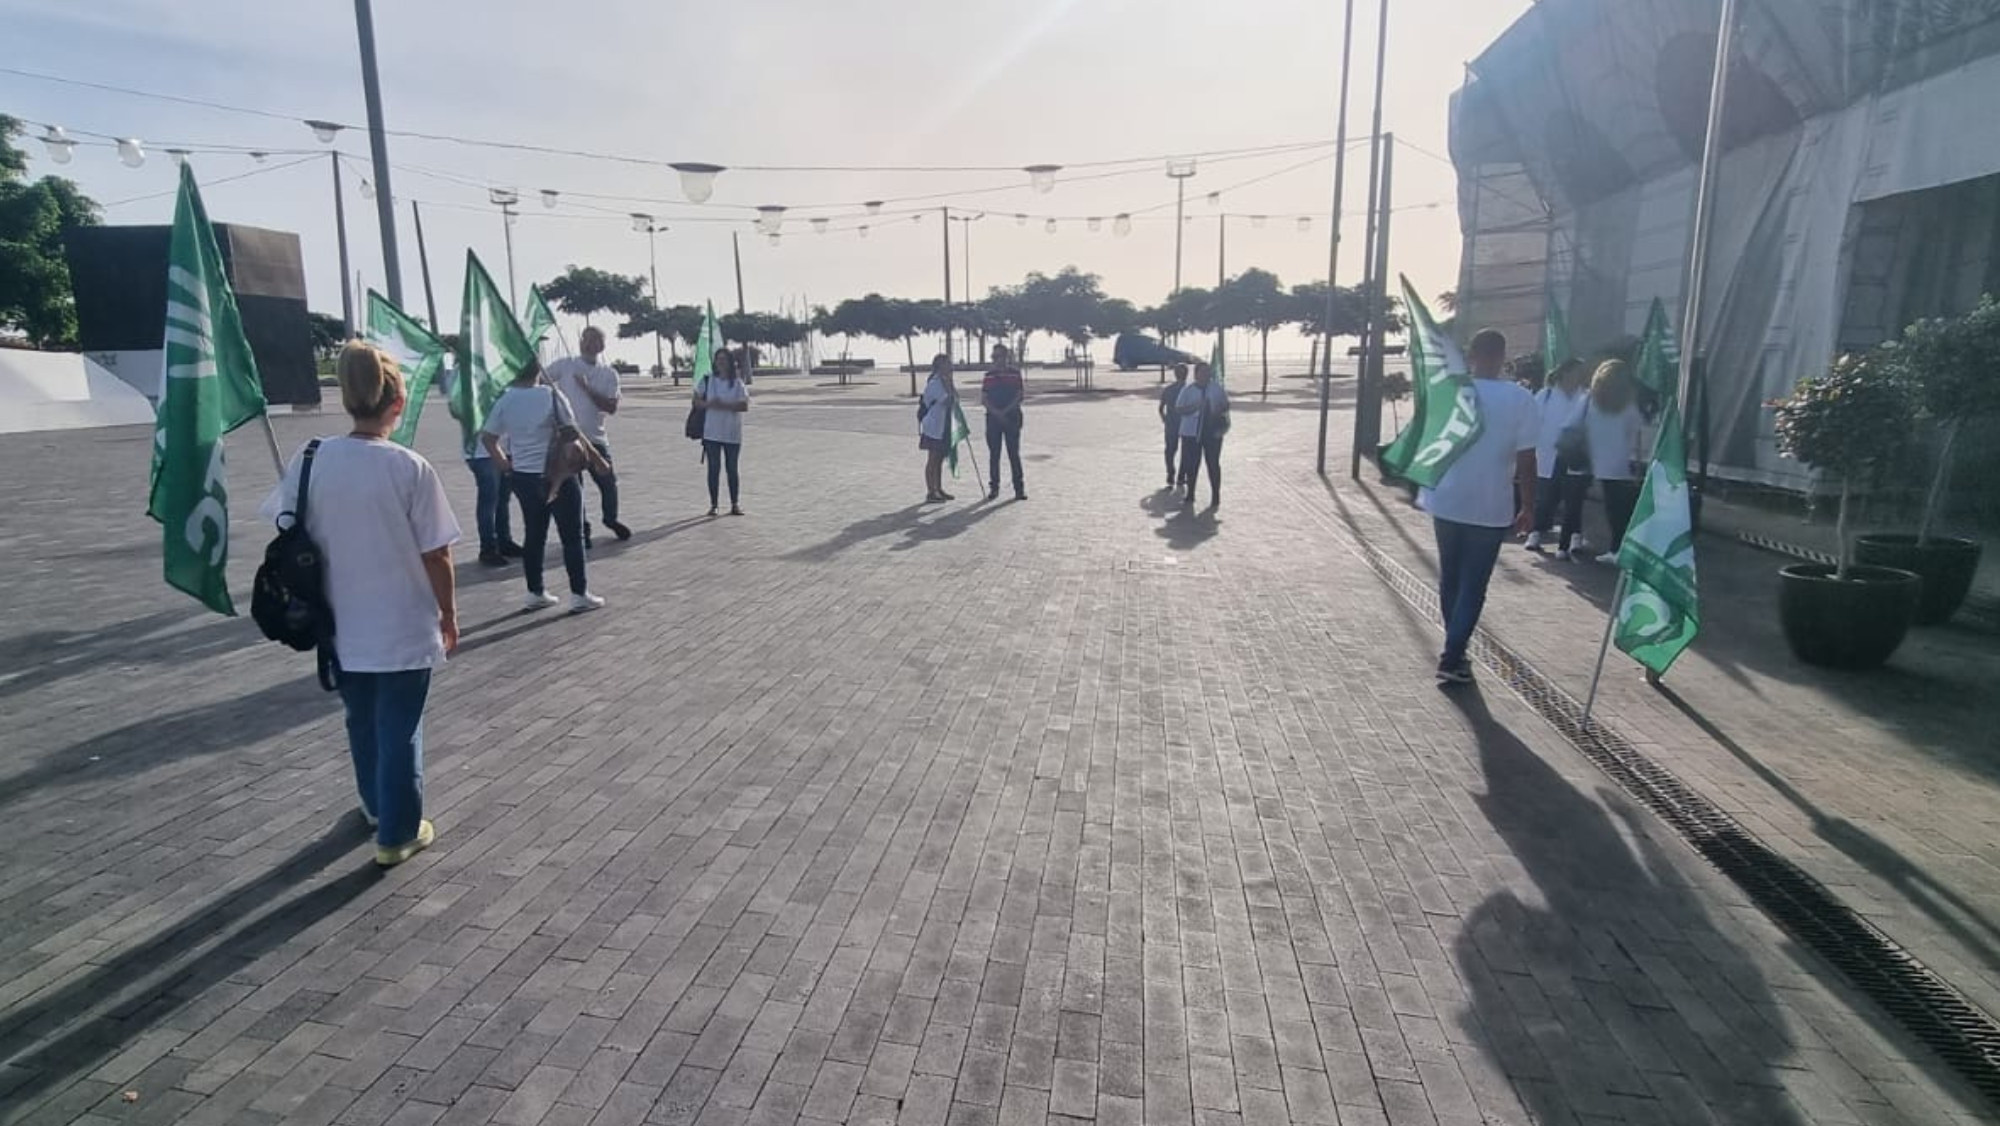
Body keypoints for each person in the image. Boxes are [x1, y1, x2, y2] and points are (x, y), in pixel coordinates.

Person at [261, 343, 457, 867]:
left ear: (347, 397)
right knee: (400, 728)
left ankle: (374, 805)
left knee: (361, 720)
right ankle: (397, 832)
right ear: (396, 402)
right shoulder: (409, 467)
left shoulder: (309, 460)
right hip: (402, 623)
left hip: (336, 621)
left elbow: (283, 525)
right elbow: (437, 553)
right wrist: (449, 613)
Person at [1421, 328, 1539, 685]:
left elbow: (1432, 442)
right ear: (1502, 357)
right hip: (1490, 505)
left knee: (1451, 579)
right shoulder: (1520, 398)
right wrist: (1529, 506)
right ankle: (1452, 654)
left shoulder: (1453, 391)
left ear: (1471, 354)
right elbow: (1528, 458)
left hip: (1448, 498)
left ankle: (1454, 651)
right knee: (1473, 584)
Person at [480, 360, 606, 614]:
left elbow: (488, 437)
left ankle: (535, 591)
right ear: (538, 370)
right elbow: (573, 433)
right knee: (572, 536)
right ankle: (579, 594)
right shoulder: (551, 395)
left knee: (534, 534)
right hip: (558, 473)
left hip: (523, 475)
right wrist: (596, 459)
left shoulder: (505, 400)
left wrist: (504, 464)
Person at [544, 325, 629, 544]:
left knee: (607, 482)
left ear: (602, 345)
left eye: (596, 340)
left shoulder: (608, 373)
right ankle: (583, 530)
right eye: (587, 339)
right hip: (568, 439)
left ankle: (611, 519)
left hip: (596, 438)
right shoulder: (566, 365)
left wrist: (587, 388)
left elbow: (611, 407)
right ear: (581, 342)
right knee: (574, 488)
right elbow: (541, 380)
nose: (590, 344)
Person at [1572, 359, 1646, 564]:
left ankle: (1615, 549)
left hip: (1595, 461)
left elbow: (1579, 425)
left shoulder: (1591, 401)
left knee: (1610, 508)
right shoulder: (1628, 404)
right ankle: (1620, 548)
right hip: (1622, 462)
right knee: (1623, 510)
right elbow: (1636, 429)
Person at [1525, 358, 1588, 554]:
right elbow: (1532, 422)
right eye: (1576, 372)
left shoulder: (1585, 396)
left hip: (1575, 455)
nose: (1579, 376)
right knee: (1545, 498)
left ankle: (1574, 538)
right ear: (1565, 373)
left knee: (1574, 499)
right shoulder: (1546, 395)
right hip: (1548, 454)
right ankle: (1535, 533)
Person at [696, 347, 751, 515]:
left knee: (732, 469)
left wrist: (724, 405)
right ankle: (714, 505)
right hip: (712, 433)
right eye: (718, 359)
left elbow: (744, 405)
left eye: (724, 359)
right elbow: (696, 402)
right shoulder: (707, 380)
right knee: (713, 469)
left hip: (731, 433)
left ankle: (735, 503)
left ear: (730, 362)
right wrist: (708, 404)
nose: (721, 362)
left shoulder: (737, 383)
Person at [1174, 362, 1228, 509]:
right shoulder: (1188, 390)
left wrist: (1217, 409)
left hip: (1212, 432)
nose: (1205, 375)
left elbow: (1226, 405)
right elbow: (1178, 409)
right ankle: (1190, 493)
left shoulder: (1216, 389)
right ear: (1196, 374)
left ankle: (1216, 495)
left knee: (1213, 464)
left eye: (1208, 372)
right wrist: (1196, 407)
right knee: (1192, 464)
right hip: (1191, 433)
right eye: (1202, 372)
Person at [981, 344, 1027, 501]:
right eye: (993, 357)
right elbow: (984, 398)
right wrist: (996, 412)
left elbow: (1019, 395)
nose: (995, 360)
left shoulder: (1015, 374)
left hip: (1012, 418)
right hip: (993, 420)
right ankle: (994, 488)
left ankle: (1019, 488)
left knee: (1013, 454)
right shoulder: (988, 375)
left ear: (1006, 357)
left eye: (998, 356)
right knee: (994, 455)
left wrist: (1005, 411)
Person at [918, 354, 959, 503]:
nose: (950, 366)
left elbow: (956, 398)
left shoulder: (945, 381)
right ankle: (931, 491)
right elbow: (948, 400)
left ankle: (938, 488)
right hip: (934, 426)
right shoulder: (935, 383)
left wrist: (951, 383)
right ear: (940, 366)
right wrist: (949, 386)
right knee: (933, 458)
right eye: (947, 364)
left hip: (944, 426)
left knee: (940, 458)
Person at [1159, 364, 1189, 486]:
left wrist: (1164, 418)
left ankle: (1171, 472)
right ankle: (1181, 475)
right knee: (1186, 451)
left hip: (1171, 423)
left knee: (1170, 450)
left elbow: (1161, 408)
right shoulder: (1189, 390)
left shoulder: (1168, 389)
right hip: (1185, 424)